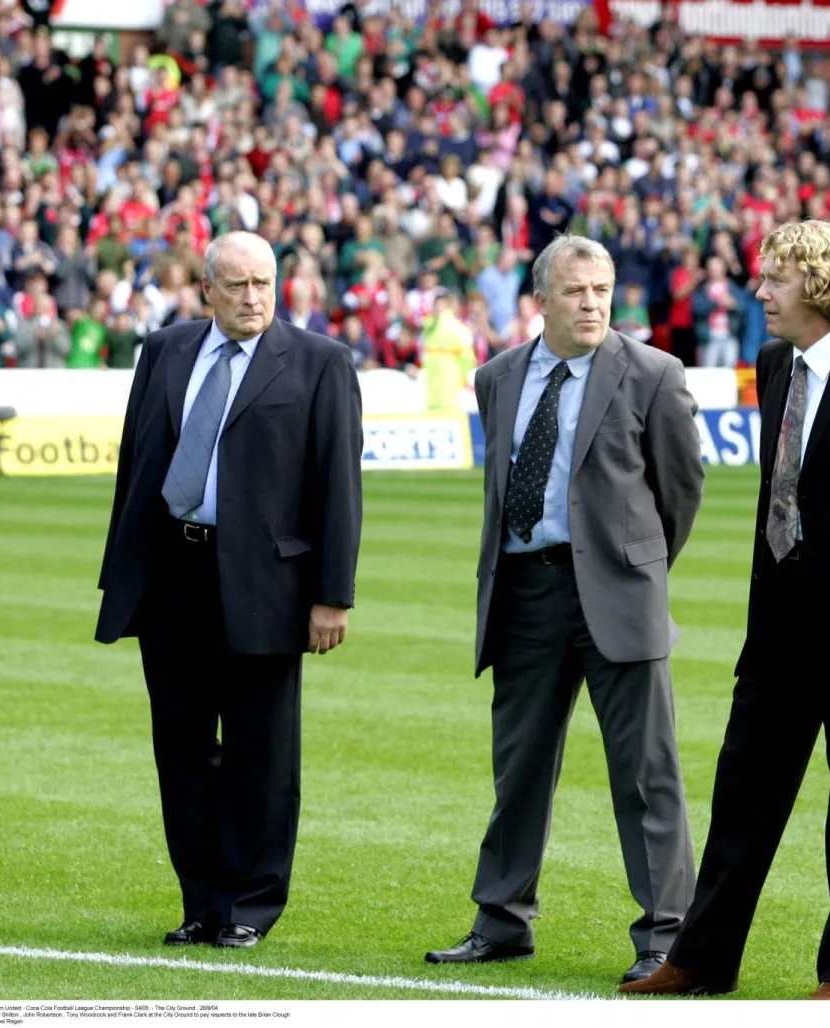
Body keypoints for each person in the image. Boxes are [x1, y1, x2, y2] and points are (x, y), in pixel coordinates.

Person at [623, 219, 830, 1000]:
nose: (759, 290)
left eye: (773, 277)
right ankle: (701, 956)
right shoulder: (776, 362)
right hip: (779, 630)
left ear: (816, 284)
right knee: (743, 795)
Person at [425, 234, 705, 985]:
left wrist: (633, 568)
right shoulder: (497, 377)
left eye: (602, 290)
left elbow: (681, 493)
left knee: (647, 776)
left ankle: (666, 936)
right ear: (540, 300)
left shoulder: (654, 374)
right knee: (518, 771)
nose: (592, 303)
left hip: (618, 595)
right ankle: (502, 923)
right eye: (576, 291)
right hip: (524, 595)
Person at [95, 231, 363, 949]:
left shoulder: (320, 363)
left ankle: (249, 905)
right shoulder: (164, 351)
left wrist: (333, 594)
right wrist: (122, 571)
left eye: (264, 284)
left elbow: (339, 486)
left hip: (266, 587)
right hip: (173, 577)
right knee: (182, 751)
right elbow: (138, 462)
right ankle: (202, 902)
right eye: (238, 285)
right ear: (206, 289)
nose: (253, 298)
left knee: (262, 756)